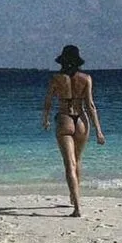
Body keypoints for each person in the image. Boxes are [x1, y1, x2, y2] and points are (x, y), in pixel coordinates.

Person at [42, 45, 105, 217]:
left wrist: (45, 119)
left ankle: (76, 206)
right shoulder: (86, 78)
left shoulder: (56, 79)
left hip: (65, 118)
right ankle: (74, 195)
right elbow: (90, 105)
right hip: (81, 120)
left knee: (69, 163)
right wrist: (99, 131)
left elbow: (48, 101)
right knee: (77, 160)